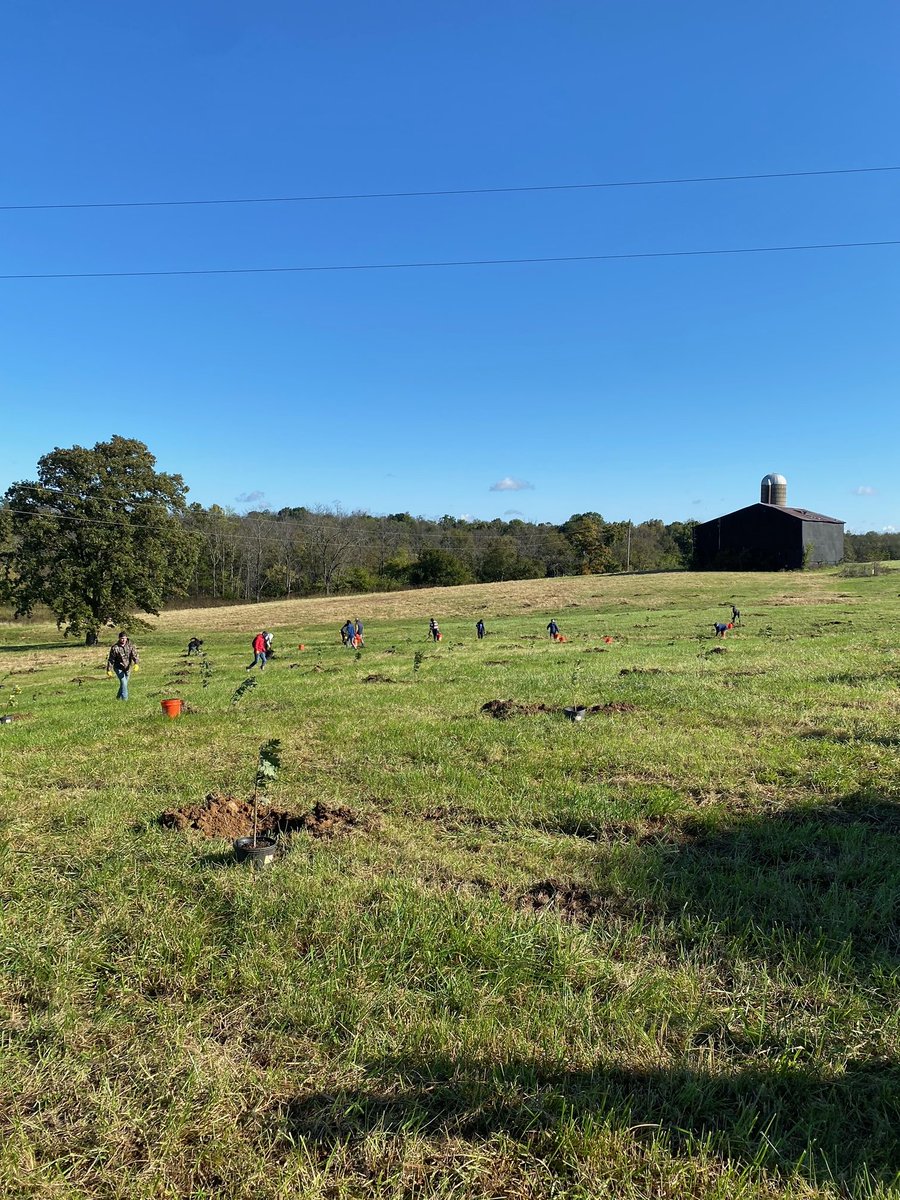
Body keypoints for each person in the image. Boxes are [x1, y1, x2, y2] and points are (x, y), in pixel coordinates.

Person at [107, 631, 139, 700]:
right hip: (118, 667)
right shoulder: (115, 647)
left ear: (126, 638)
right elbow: (111, 659)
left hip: (128, 667)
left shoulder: (130, 646)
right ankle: (125, 700)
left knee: (124, 685)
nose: (123, 640)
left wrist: (136, 664)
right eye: (122, 638)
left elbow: (134, 655)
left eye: (124, 638)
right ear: (119, 638)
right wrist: (109, 669)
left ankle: (118, 698)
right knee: (124, 683)